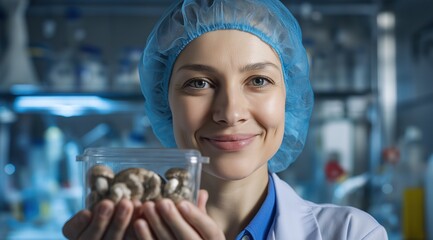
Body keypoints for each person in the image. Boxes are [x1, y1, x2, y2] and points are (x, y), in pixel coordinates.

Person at [63, 0, 388, 239]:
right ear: (166, 101)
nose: (230, 113)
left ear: (288, 96)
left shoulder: (353, 233)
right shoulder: (117, 231)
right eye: (199, 83)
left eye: (258, 80)